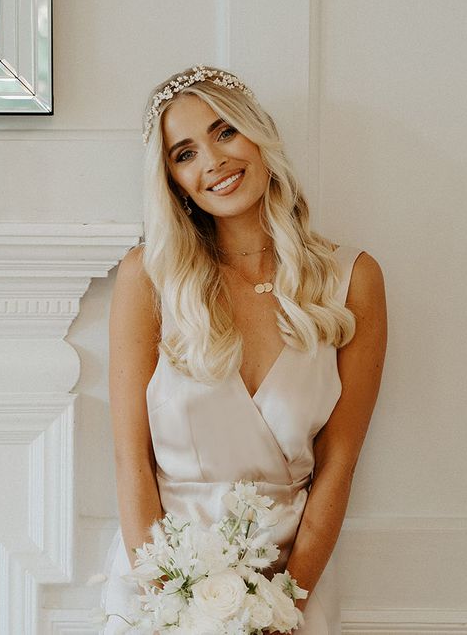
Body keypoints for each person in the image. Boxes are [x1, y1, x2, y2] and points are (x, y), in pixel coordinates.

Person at [100, 65, 387, 634]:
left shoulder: (352, 279)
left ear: (258, 134)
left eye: (225, 131)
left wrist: (286, 606)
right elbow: (131, 461)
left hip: (293, 577)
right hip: (162, 577)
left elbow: (339, 464)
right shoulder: (149, 279)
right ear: (173, 182)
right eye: (184, 154)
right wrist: (169, 603)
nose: (213, 162)